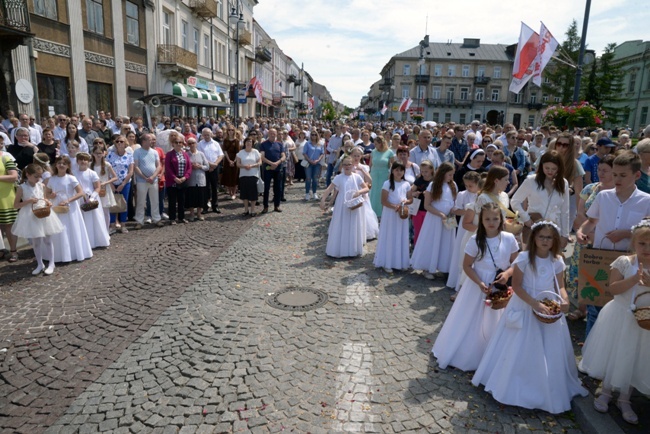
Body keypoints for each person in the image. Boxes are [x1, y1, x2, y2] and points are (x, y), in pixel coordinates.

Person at [472, 221, 588, 413]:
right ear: (534, 237)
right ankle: (512, 383)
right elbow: (516, 286)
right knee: (518, 344)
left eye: (549, 237)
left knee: (547, 346)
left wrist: (565, 299)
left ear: (554, 240)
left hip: (548, 305)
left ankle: (544, 385)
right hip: (525, 304)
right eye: (541, 236)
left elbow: (559, 286)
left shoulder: (557, 261)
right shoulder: (524, 258)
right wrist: (534, 303)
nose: (545, 240)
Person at [578, 219, 650, 425]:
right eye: (642, 244)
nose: (647, 248)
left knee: (634, 358)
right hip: (619, 316)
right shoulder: (624, 262)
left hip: (644, 321)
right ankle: (606, 392)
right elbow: (613, 288)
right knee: (615, 354)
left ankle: (625, 399)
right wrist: (634, 280)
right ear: (634, 243)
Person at [433, 202, 519, 370]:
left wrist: (508, 274)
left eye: (495, 218)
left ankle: (494, 354)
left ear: (501, 219)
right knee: (472, 319)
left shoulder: (508, 239)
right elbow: (467, 265)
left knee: (497, 319)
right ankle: (470, 354)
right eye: (487, 219)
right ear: (481, 220)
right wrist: (479, 282)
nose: (491, 222)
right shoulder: (475, 240)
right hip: (477, 285)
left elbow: (516, 262)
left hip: (499, 284)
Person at [577, 151, 650, 337]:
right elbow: (591, 221)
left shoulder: (646, 200)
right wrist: (581, 232)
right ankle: (589, 353)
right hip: (601, 257)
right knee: (596, 308)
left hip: (629, 261)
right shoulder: (603, 196)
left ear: (637, 175)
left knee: (622, 310)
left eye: (623, 175)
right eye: (615, 174)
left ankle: (612, 352)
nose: (617, 179)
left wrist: (626, 233)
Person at [11, 164, 63, 274]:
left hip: (43, 213)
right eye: (35, 176)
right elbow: (15, 205)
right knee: (36, 242)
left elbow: (44, 198)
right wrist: (28, 201)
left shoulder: (41, 185)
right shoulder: (22, 188)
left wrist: (48, 202)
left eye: (39, 177)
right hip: (31, 215)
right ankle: (40, 264)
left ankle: (51, 263)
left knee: (48, 240)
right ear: (28, 175)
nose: (38, 179)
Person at [512, 151, 570, 247]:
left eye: (554, 169)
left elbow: (565, 211)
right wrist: (525, 218)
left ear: (559, 168)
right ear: (541, 166)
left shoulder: (563, 183)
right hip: (534, 228)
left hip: (554, 230)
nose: (550, 171)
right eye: (547, 168)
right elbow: (515, 201)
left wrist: (565, 235)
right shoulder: (531, 180)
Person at [411, 162, 457, 279]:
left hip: (448, 218)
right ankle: (427, 267)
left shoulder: (453, 185)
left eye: (452, 175)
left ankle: (444, 266)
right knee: (432, 241)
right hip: (435, 218)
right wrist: (440, 214)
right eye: (449, 175)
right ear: (442, 174)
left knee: (447, 243)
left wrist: (452, 210)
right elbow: (427, 205)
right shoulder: (432, 185)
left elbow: (453, 201)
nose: (451, 177)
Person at [45, 156, 93, 263]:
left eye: (64, 163)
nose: (61, 165)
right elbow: (46, 194)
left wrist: (68, 200)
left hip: (70, 207)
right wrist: (51, 196)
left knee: (71, 229)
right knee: (58, 229)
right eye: (59, 163)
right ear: (56, 165)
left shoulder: (71, 178)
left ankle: (73, 253)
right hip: (56, 206)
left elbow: (81, 193)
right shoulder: (51, 179)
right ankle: (59, 255)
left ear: (68, 166)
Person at [319, 156, 369, 258]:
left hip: (354, 204)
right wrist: (323, 200)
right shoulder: (339, 177)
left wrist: (359, 192)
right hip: (341, 205)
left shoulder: (357, 177)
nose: (347, 166)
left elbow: (366, 188)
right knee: (341, 224)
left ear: (352, 165)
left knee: (353, 225)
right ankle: (339, 249)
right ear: (342, 166)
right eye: (345, 164)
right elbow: (329, 189)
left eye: (349, 164)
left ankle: (352, 250)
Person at [373, 161, 412, 273]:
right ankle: (387, 262)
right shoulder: (387, 183)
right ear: (392, 171)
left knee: (401, 236)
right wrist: (395, 206)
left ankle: (401, 262)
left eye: (401, 170)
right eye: (396, 170)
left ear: (404, 171)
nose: (399, 172)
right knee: (390, 236)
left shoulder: (406, 184)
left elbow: (410, 199)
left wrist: (406, 201)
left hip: (401, 214)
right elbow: (383, 201)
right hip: (390, 214)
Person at [446, 171, 482, 290]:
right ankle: (457, 281)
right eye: (466, 185)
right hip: (464, 226)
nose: (468, 188)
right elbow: (456, 210)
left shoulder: (481, 195)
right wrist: (469, 212)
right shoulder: (462, 194)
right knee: (461, 251)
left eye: (470, 185)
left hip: (475, 224)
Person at [73, 152, 110, 248]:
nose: (83, 161)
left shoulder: (92, 173)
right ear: (77, 161)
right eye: (81, 159)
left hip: (91, 198)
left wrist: (92, 197)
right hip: (79, 198)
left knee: (95, 220)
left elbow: (97, 187)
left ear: (88, 161)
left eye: (85, 159)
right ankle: (85, 243)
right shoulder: (73, 173)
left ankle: (97, 241)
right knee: (83, 220)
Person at [132, 133, 163, 229]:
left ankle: (157, 219)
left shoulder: (154, 152)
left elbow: (159, 165)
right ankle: (139, 221)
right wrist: (144, 177)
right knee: (141, 201)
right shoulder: (137, 152)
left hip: (153, 180)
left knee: (155, 200)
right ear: (144, 141)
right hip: (142, 180)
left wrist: (153, 176)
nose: (152, 141)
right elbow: (136, 166)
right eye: (150, 140)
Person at [350, 146, 378, 241]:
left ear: (361, 156)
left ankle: (364, 232)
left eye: (358, 156)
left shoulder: (364, 167)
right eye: (354, 156)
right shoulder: (348, 166)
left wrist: (361, 170)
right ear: (351, 156)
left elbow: (369, 180)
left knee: (365, 211)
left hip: (362, 191)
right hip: (352, 192)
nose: (356, 158)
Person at [106, 135, 134, 233]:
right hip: (112, 183)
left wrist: (123, 184)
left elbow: (130, 171)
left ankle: (123, 224)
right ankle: (112, 225)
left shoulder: (130, 155)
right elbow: (106, 171)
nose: (119, 143)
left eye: (121, 141)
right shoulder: (109, 155)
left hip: (125, 183)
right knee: (112, 203)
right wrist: (111, 185)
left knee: (124, 203)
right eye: (117, 141)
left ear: (125, 143)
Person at [165, 132, 193, 224]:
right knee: (172, 201)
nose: (178, 144)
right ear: (172, 144)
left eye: (180, 142)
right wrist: (174, 178)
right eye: (176, 142)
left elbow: (189, 167)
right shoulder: (169, 154)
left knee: (182, 200)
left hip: (183, 180)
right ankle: (172, 218)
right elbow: (168, 168)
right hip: (172, 180)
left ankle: (181, 217)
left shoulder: (185, 154)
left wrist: (185, 177)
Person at [91, 142, 118, 232]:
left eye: (100, 153)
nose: (98, 155)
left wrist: (105, 182)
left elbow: (115, 177)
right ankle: (98, 231)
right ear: (93, 154)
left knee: (105, 212)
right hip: (94, 190)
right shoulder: (90, 165)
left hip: (104, 189)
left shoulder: (107, 164)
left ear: (103, 153)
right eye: (96, 153)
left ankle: (106, 230)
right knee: (96, 212)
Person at [197, 128, 223, 214]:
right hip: (205, 168)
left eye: (208, 134)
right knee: (205, 188)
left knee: (215, 187)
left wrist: (215, 164)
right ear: (202, 135)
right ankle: (205, 206)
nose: (206, 136)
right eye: (205, 134)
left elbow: (221, 155)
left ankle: (215, 206)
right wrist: (209, 165)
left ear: (211, 134)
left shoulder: (216, 143)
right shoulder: (200, 144)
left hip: (215, 168)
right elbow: (200, 156)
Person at [260, 128, 286, 213]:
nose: (272, 134)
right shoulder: (263, 144)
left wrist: (277, 163)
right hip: (268, 169)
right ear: (268, 134)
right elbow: (262, 157)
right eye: (271, 133)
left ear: (276, 134)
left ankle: (276, 205)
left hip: (278, 169)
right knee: (266, 188)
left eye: (274, 133)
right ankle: (265, 206)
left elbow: (283, 156)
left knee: (278, 188)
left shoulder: (279, 144)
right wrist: (271, 163)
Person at [368, 136, 395, 218]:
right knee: (373, 192)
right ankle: (372, 212)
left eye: (376, 144)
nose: (375, 145)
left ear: (381, 143)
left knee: (382, 192)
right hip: (374, 174)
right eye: (374, 143)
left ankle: (382, 212)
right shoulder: (373, 152)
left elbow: (393, 165)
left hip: (384, 175)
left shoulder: (389, 152)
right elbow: (370, 164)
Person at [0, 147, 19, 262]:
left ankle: (13, 251)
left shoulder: (5, 158)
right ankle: (1, 250)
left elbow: (13, 176)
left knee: (9, 225)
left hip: (6, 198)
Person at [410, 159, 435, 246]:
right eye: (422, 171)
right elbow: (410, 192)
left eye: (426, 171)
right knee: (418, 230)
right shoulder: (419, 180)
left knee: (428, 231)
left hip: (430, 209)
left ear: (432, 170)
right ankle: (417, 247)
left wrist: (429, 194)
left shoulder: (434, 181)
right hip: (418, 209)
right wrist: (415, 193)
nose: (424, 173)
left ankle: (427, 247)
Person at [236, 136, 262, 216]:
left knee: (253, 194)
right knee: (245, 194)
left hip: (253, 175)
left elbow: (260, 162)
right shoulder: (240, 152)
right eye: (247, 141)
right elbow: (238, 164)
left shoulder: (256, 152)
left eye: (250, 141)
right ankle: (246, 210)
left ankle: (253, 210)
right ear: (244, 143)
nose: (248, 143)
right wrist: (245, 166)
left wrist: (252, 165)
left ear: (252, 143)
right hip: (243, 175)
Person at [185, 137, 209, 222]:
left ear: (196, 144)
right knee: (191, 197)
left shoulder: (201, 154)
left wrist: (200, 166)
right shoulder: (186, 154)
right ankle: (191, 213)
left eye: (193, 143)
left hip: (201, 179)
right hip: (191, 180)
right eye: (190, 143)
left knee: (201, 197)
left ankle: (199, 213)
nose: (192, 145)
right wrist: (191, 167)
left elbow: (207, 166)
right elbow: (184, 167)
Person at [302, 130, 325, 201]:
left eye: (315, 134)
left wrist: (318, 160)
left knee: (315, 178)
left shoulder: (320, 144)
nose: (314, 136)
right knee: (308, 178)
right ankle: (307, 193)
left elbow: (322, 153)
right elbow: (304, 153)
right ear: (310, 135)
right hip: (309, 163)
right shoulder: (307, 143)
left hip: (317, 163)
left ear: (317, 135)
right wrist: (310, 160)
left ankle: (314, 193)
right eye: (312, 134)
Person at [221, 126, 240, 200]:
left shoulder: (236, 141)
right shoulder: (225, 140)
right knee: (228, 175)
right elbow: (225, 151)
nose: (230, 131)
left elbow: (238, 152)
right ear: (227, 131)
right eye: (229, 130)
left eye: (232, 130)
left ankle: (234, 192)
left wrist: (234, 161)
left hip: (235, 159)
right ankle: (230, 192)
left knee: (234, 175)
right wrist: (229, 160)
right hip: (227, 159)